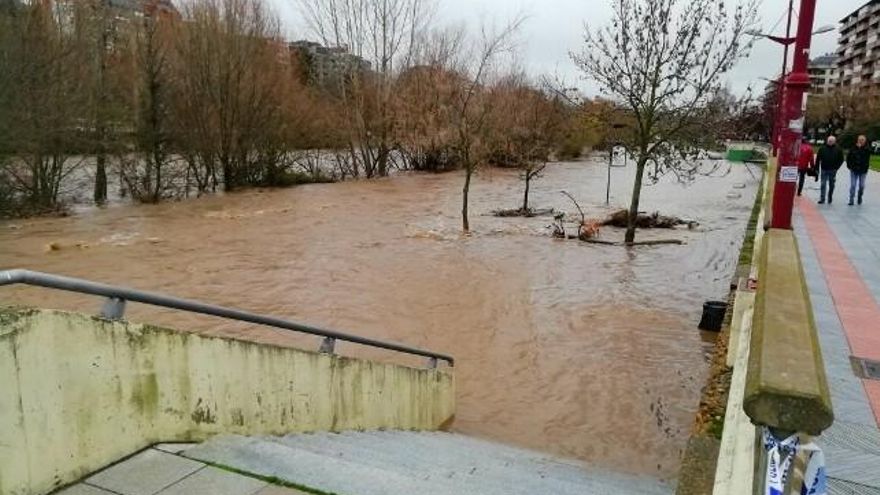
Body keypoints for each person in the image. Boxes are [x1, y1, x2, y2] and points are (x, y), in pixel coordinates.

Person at [815, 135, 845, 204]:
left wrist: (836, 168)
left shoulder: (838, 149)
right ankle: (822, 198)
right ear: (827, 141)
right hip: (824, 169)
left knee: (831, 184)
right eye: (829, 141)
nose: (830, 142)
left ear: (834, 142)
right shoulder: (822, 148)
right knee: (823, 184)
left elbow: (841, 159)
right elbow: (818, 159)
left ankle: (830, 196)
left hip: (833, 170)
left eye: (831, 141)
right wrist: (816, 169)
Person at [846, 134, 871, 205]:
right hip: (854, 170)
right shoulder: (853, 148)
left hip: (863, 170)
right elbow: (849, 157)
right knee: (853, 185)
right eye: (860, 139)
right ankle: (851, 199)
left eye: (862, 140)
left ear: (865, 141)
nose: (861, 141)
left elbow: (865, 156)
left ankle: (860, 196)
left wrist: (860, 149)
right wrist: (849, 166)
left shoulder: (867, 149)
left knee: (862, 186)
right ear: (857, 140)